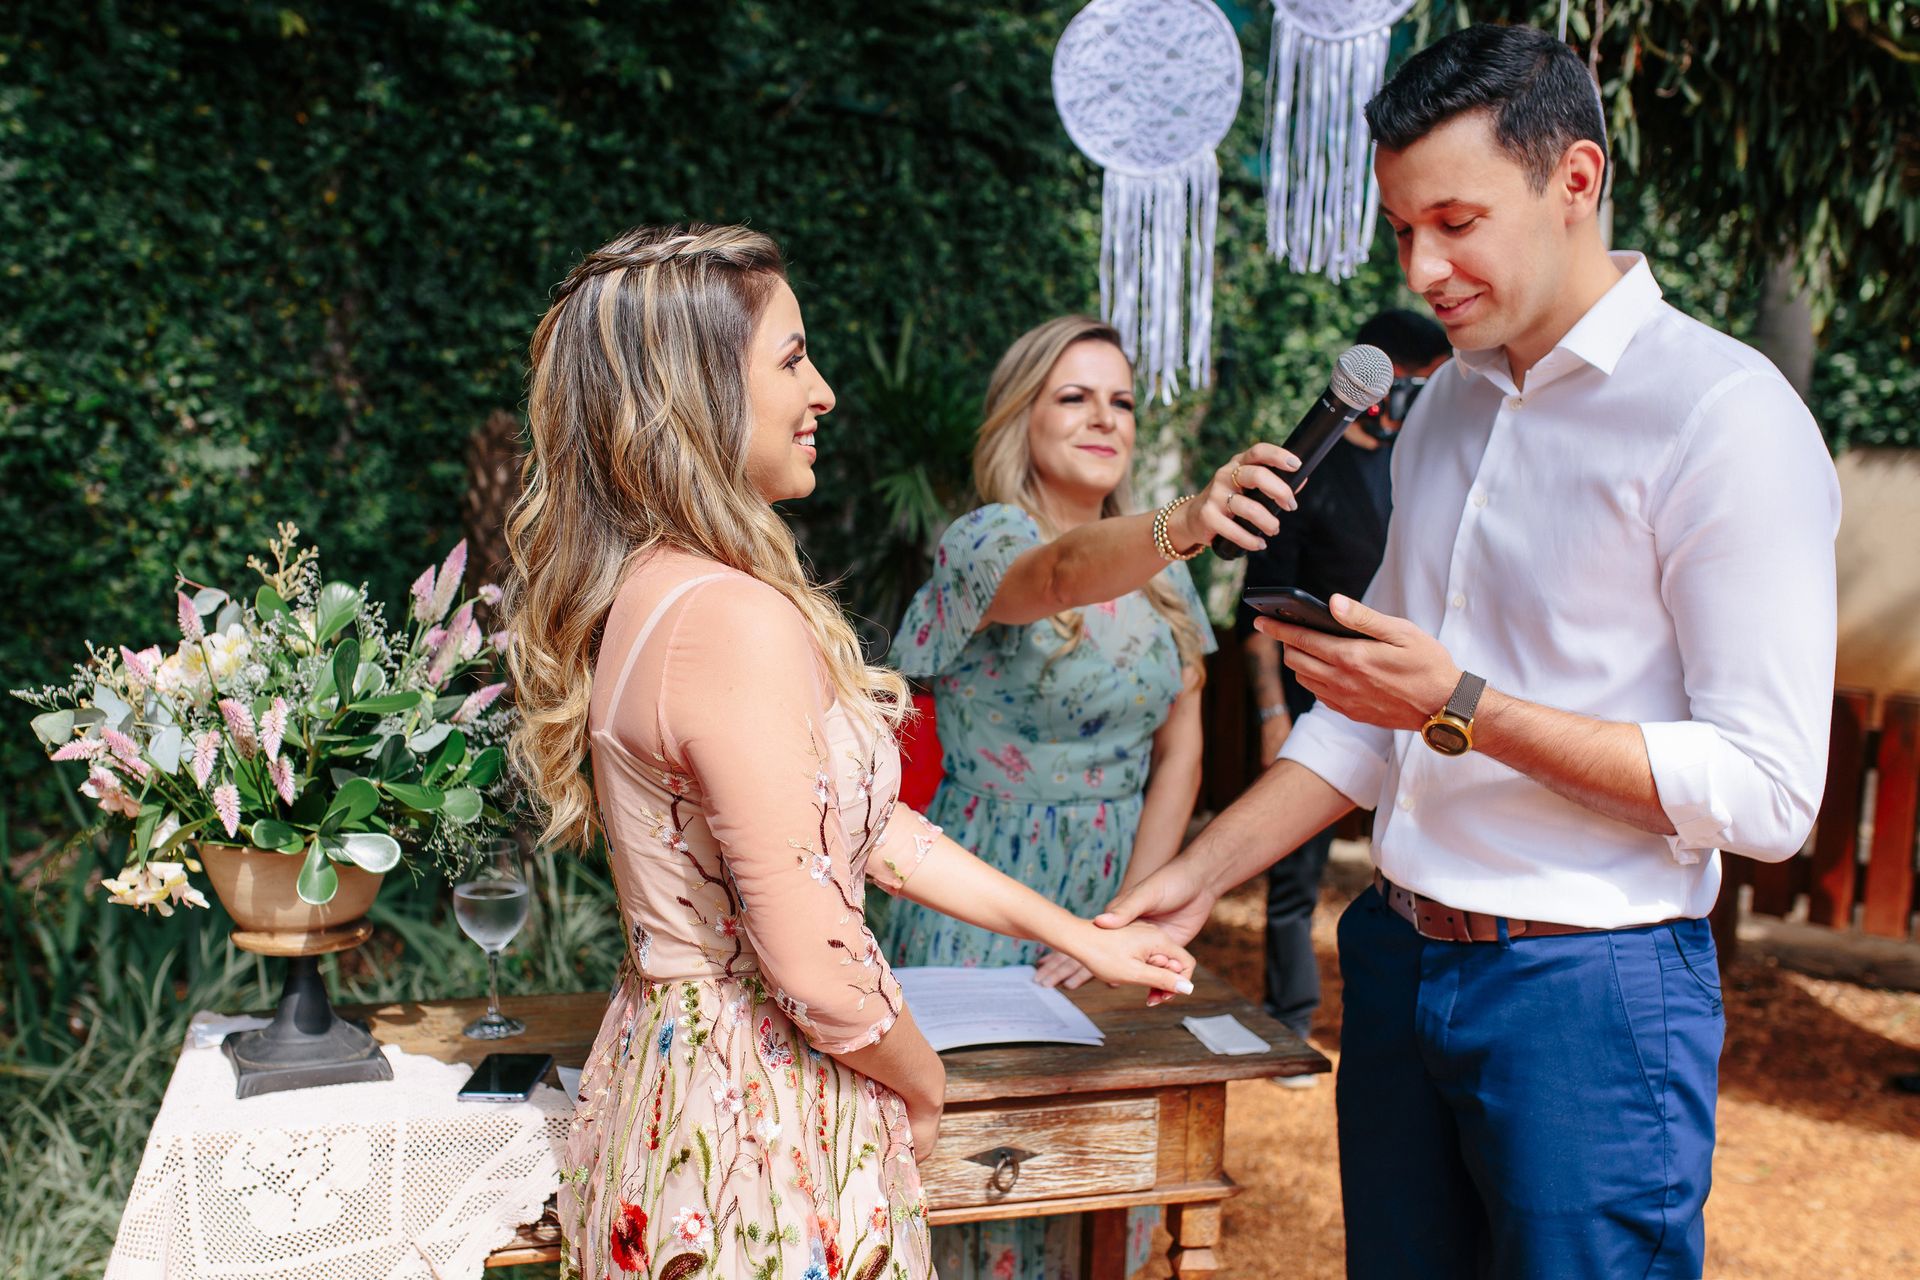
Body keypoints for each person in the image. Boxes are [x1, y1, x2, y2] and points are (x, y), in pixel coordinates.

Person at [1101, 24, 1839, 1279]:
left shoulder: (1727, 418)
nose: (1423, 266)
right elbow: (1369, 717)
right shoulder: (1443, 404)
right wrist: (1197, 872)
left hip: (1593, 992)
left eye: (1456, 219)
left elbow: (1770, 794)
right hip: (1393, 959)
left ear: (1577, 179)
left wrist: (1463, 707)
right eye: (1401, 229)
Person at [503, 226, 1198, 1280]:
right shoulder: (729, 616)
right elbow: (813, 960)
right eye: (791, 359)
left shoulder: (651, 589)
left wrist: (1083, 937)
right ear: (697, 392)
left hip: (683, 1078)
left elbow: (868, 835)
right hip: (759, 1113)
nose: (822, 390)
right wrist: (920, 1079)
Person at [876, 313, 1297, 1279]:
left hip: (1117, 885)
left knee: (1100, 1163)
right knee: (976, 1170)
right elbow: (1060, 575)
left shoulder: (1164, 577)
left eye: (1122, 401)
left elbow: (1180, 749)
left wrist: (1130, 917)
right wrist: (1185, 520)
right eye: (1074, 396)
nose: (1105, 418)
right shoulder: (985, 540)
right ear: (1020, 417)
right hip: (977, 890)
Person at [1238, 308, 1450, 1076]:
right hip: (1315, 691)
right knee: (1294, 874)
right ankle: (1289, 1022)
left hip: (1422, 699)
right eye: (1407, 386)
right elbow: (1257, 607)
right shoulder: (1305, 474)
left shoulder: (1421, 469)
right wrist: (1271, 715)